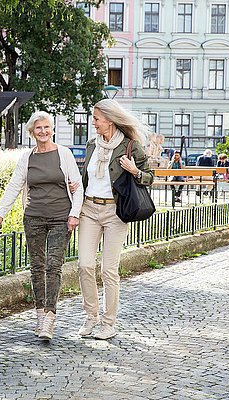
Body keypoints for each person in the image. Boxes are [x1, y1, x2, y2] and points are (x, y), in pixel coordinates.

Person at [0, 111, 83, 341]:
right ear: (32, 132)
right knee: (36, 266)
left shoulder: (64, 154)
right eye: (38, 128)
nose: (43, 131)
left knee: (54, 266)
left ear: (52, 129)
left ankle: (50, 316)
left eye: (47, 127)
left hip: (61, 217)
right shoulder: (27, 158)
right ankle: (39, 313)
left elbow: (77, 186)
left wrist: (74, 214)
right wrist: (0, 213)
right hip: (33, 217)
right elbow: (14, 185)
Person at [77, 99, 154, 340]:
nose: (93, 122)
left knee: (108, 270)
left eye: (96, 118)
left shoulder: (131, 146)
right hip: (89, 209)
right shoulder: (92, 145)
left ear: (109, 120)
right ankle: (91, 316)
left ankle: (108, 323)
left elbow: (149, 178)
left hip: (115, 213)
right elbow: (85, 178)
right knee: (84, 265)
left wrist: (134, 170)